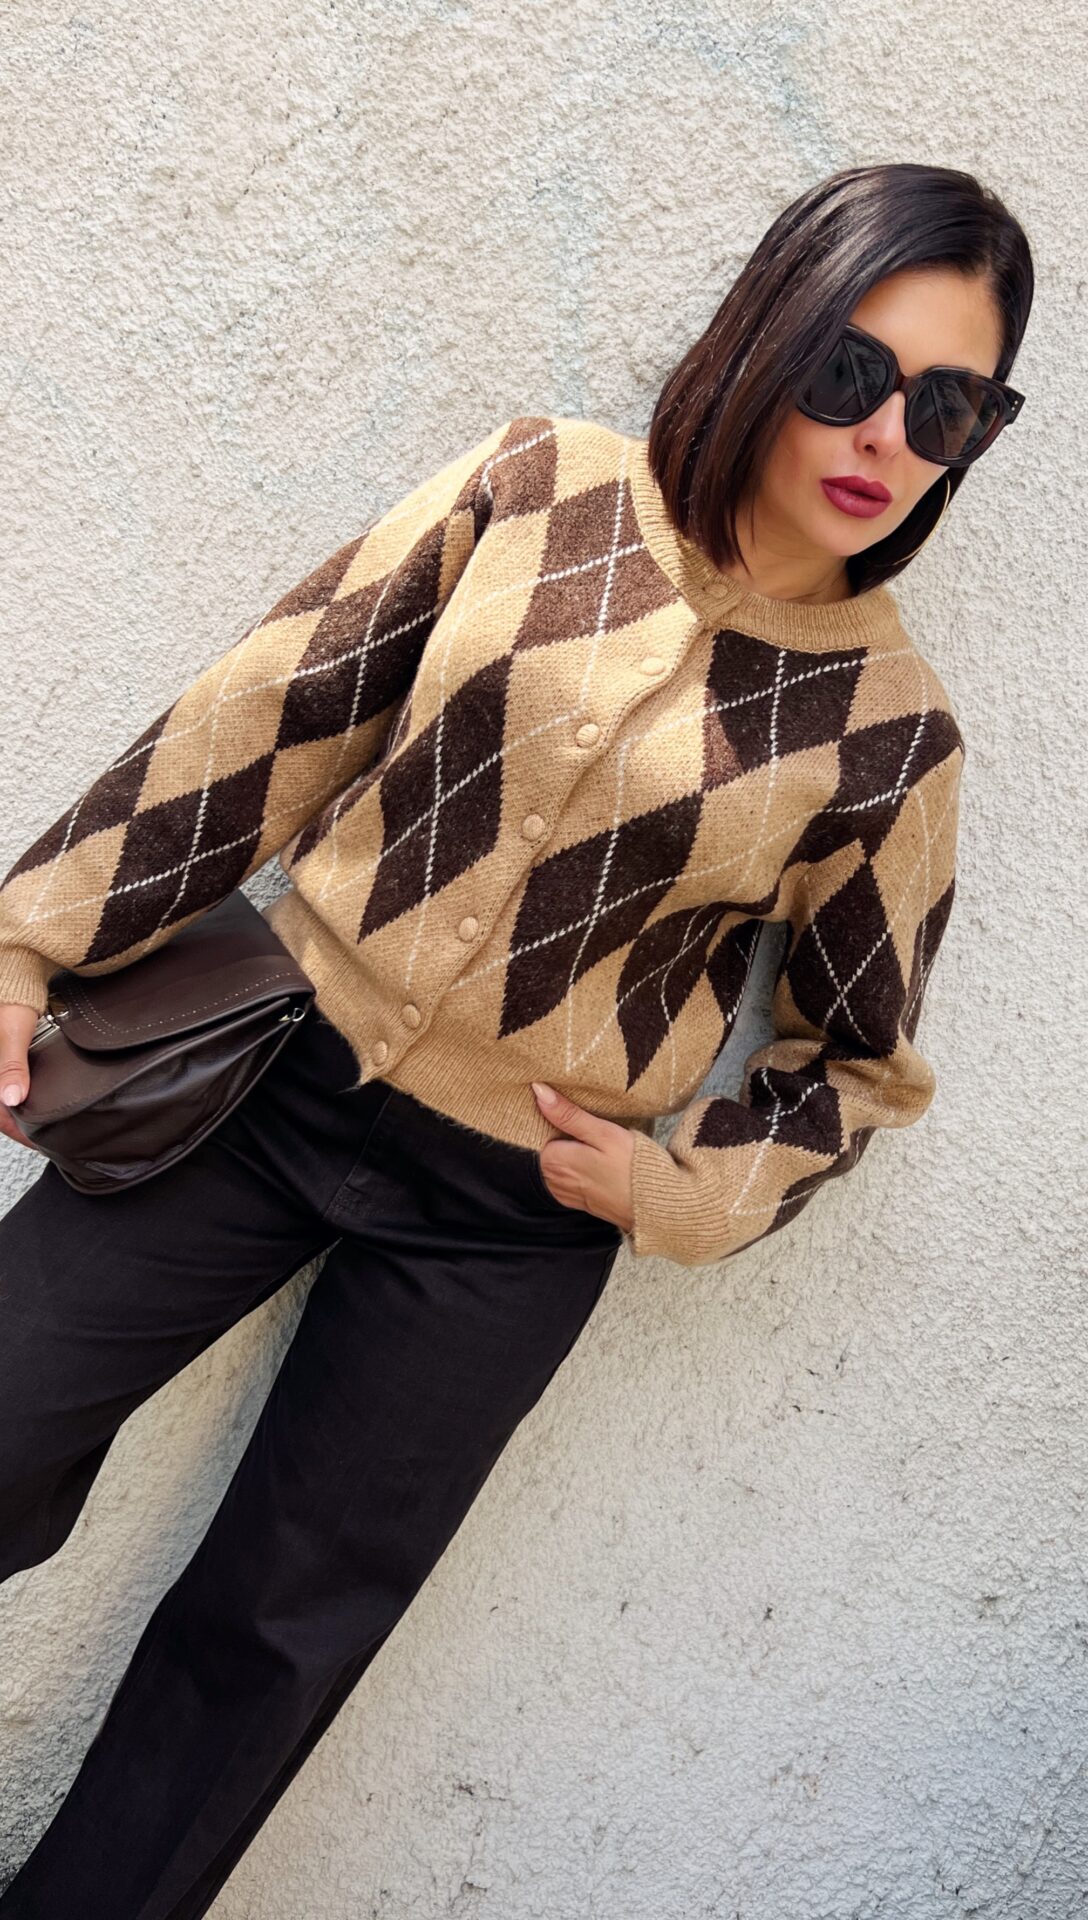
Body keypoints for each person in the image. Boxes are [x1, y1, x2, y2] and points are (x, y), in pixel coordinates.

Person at [0, 161, 1032, 1917]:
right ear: (770, 331)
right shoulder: (540, 487)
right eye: (854, 369)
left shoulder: (893, 733)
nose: (887, 435)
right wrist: (33, 937)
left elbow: (862, 1063)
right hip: (257, 1077)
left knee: (272, 1638)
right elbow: (272, 715)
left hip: (502, 1221)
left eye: (951, 409)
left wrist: (684, 1191)